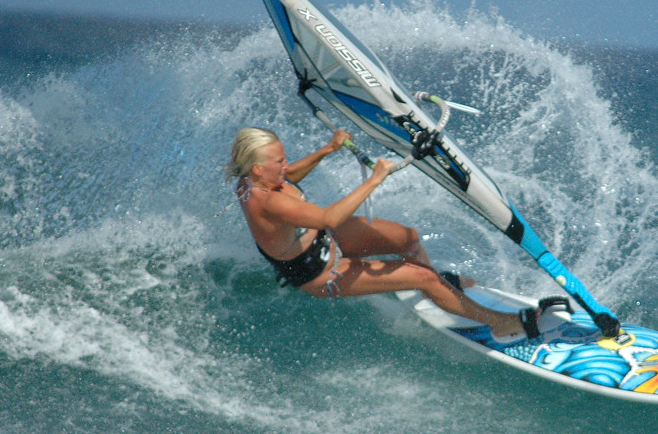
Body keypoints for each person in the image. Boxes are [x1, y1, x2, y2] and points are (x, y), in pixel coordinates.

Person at [226, 127, 539, 340]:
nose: (285, 165)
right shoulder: (267, 200)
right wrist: (375, 179)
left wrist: (328, 149)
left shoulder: (261, 178)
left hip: (323, 239)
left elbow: (290, 174)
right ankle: (500, 324)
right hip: (321, 271)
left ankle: (441, 291)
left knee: (409, 238)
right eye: (279, 160)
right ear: (257, 169)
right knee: (424, 277)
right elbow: (329, 217)